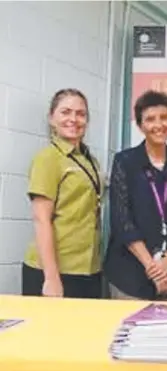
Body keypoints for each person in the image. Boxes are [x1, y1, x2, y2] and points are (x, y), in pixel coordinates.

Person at [104, 91, 167, 301]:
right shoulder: (125, 162)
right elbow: (122, 222)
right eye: (150, 119)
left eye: (164, 117)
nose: (159, 125)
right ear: (140, 126)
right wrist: (153, 268)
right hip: (130, 276)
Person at [22, 89, 103, 298]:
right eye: (65, 112)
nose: (73, 119)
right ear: (51, 118)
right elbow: (41, 219)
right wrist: (51, 278)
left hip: (88, 268)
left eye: (80, 114)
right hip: (56, 270)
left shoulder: (90, 160)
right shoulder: (48, 158)